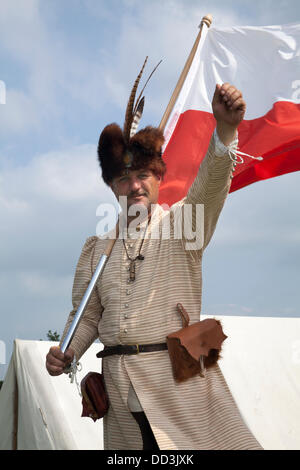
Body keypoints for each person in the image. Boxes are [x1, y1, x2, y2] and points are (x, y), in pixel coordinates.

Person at [46, 62, 262, 450]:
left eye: (143, 176)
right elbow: (87, 314)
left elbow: (209, 188)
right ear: (113, 188)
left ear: (159, 179)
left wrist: (226, 130)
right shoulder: (96, 248)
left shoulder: (185, 226)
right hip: (121, 400)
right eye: (123, 180)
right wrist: (67, 350)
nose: (134, 186)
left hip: (178, 388)